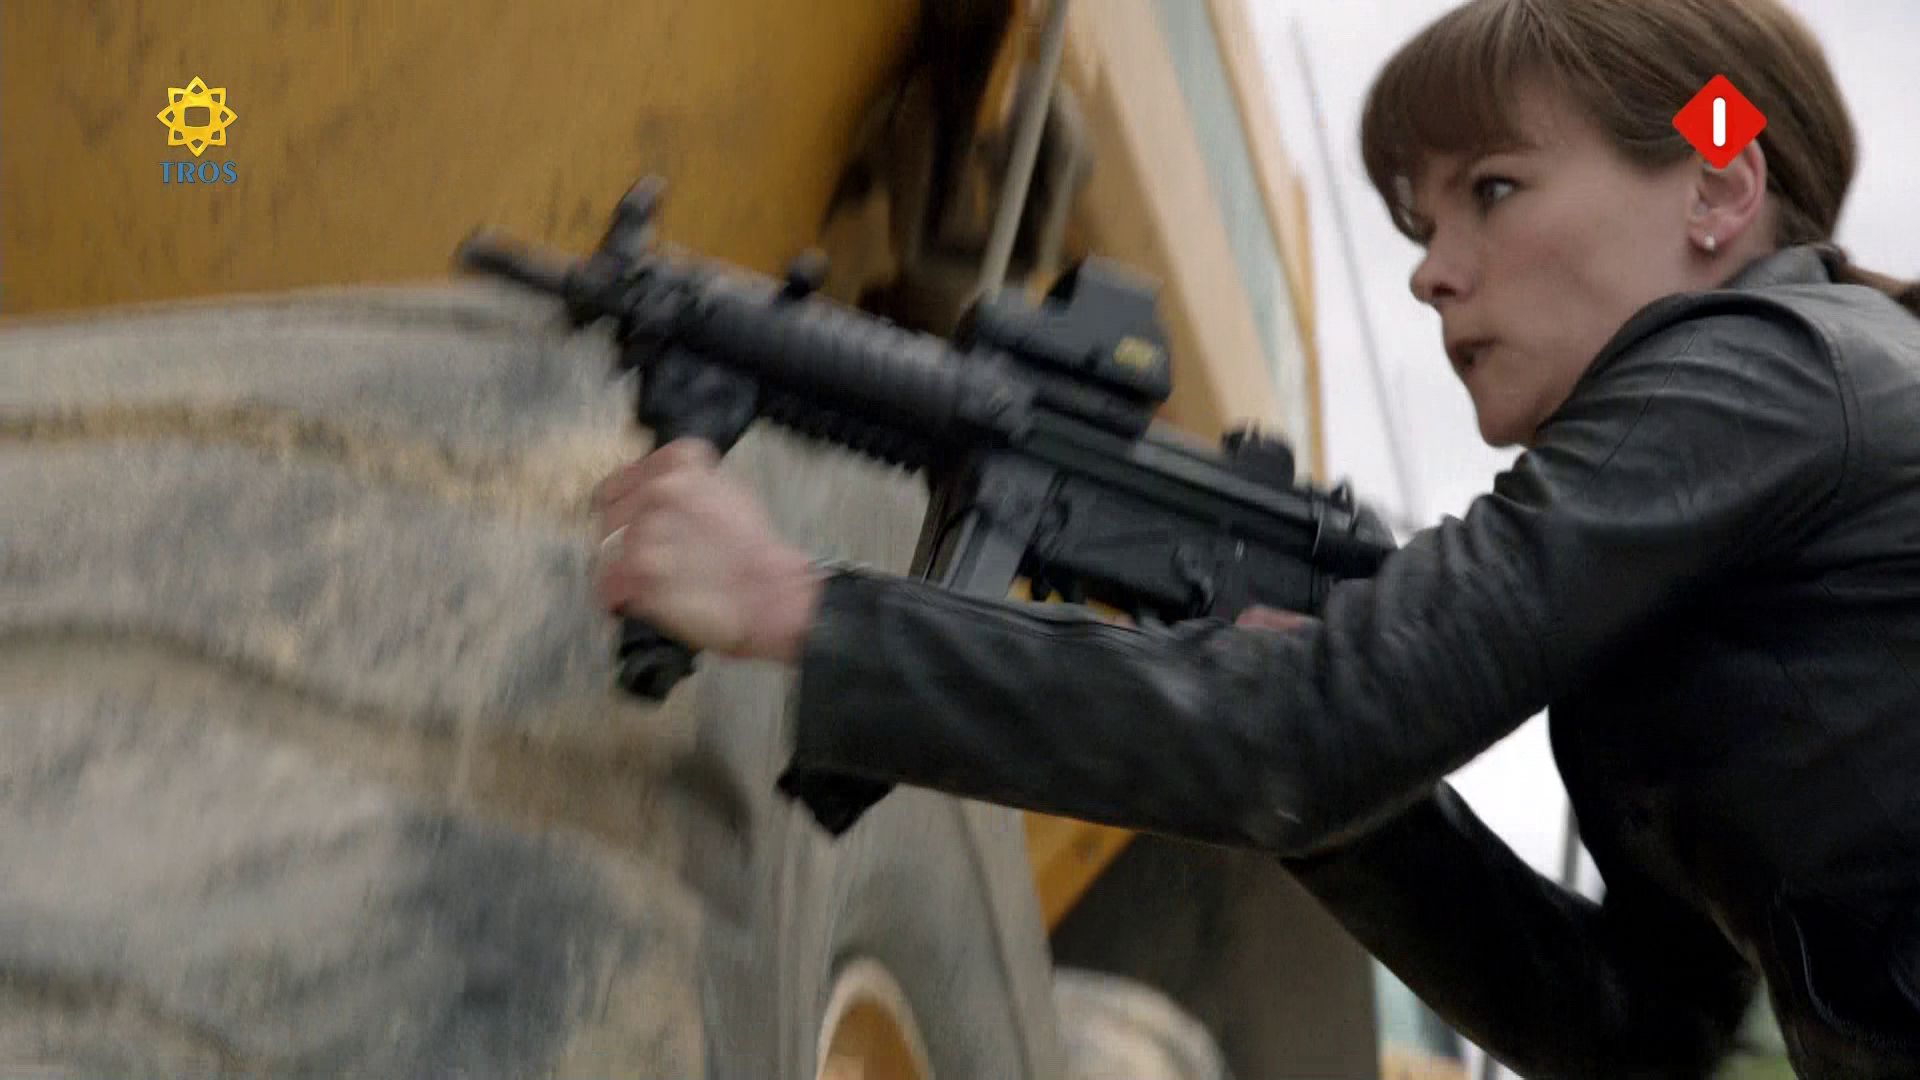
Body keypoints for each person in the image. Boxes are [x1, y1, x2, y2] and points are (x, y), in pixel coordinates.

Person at [591, 0, 1920, 1075]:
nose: (1431, 270)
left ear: (1717, 190)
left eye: (1495, 189)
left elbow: (1306, 731)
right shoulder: (1703, 571)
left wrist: (800, 609)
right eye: (1424, 222)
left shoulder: (1771, 370)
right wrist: (1351, 802)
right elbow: (1637, 1036)